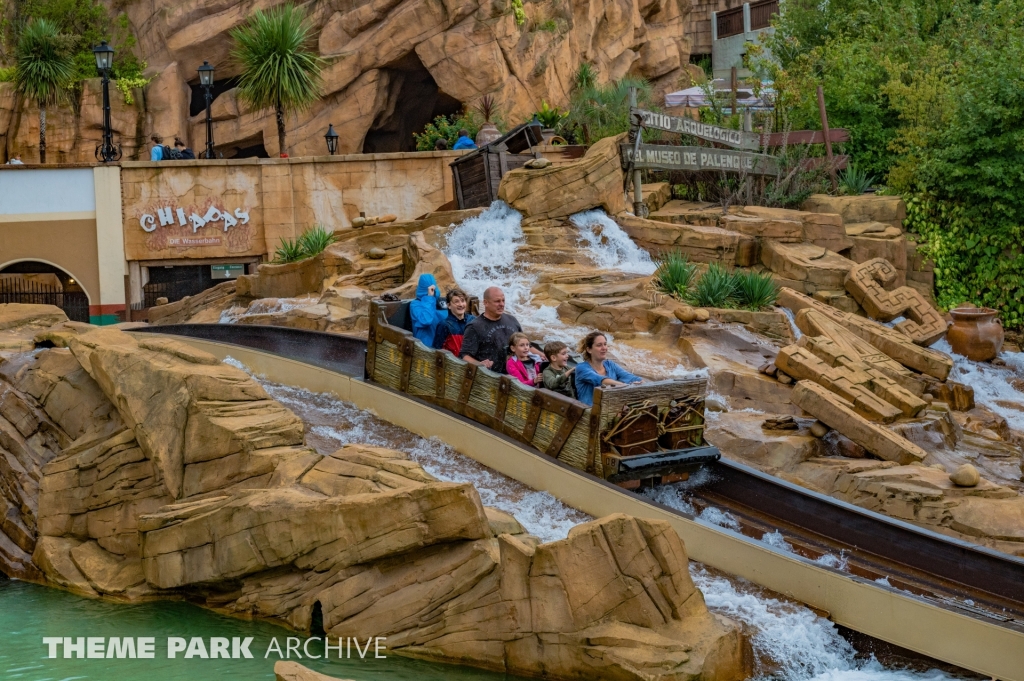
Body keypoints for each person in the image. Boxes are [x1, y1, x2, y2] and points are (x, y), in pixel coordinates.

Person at [461, 286, 521, 374]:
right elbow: (464, 355)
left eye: (503, 300)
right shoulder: (474, 326)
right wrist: (480, 365)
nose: (502, 304)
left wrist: (542, 355)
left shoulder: (512, 320)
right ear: (485, 303)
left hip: (516, 374)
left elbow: (526, 345)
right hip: (491, 377)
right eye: (497, 301)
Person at [573, 331, 643, 406]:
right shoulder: (581, 368)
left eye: (605, 344)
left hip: (611, 410)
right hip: (589, 412)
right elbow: (601, 380)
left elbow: (631, 377)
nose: (604, 348)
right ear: (589, 350)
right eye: (599, 345)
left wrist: (641, 382)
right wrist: (626, 386)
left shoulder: (610, 365)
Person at [433, 288, 474, 355]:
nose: (461, 304)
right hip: (453, 364)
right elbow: (437, 350)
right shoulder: (444, 325)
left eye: (462, 301)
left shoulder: (473, 320)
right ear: (449, 306)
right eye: (456, 301)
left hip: (471, 363)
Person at [409, 273, 447, 346]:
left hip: (443, 346)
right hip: (426, 347)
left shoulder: (442, 302)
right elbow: (426, 321)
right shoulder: (415, 304)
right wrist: (429, 298)